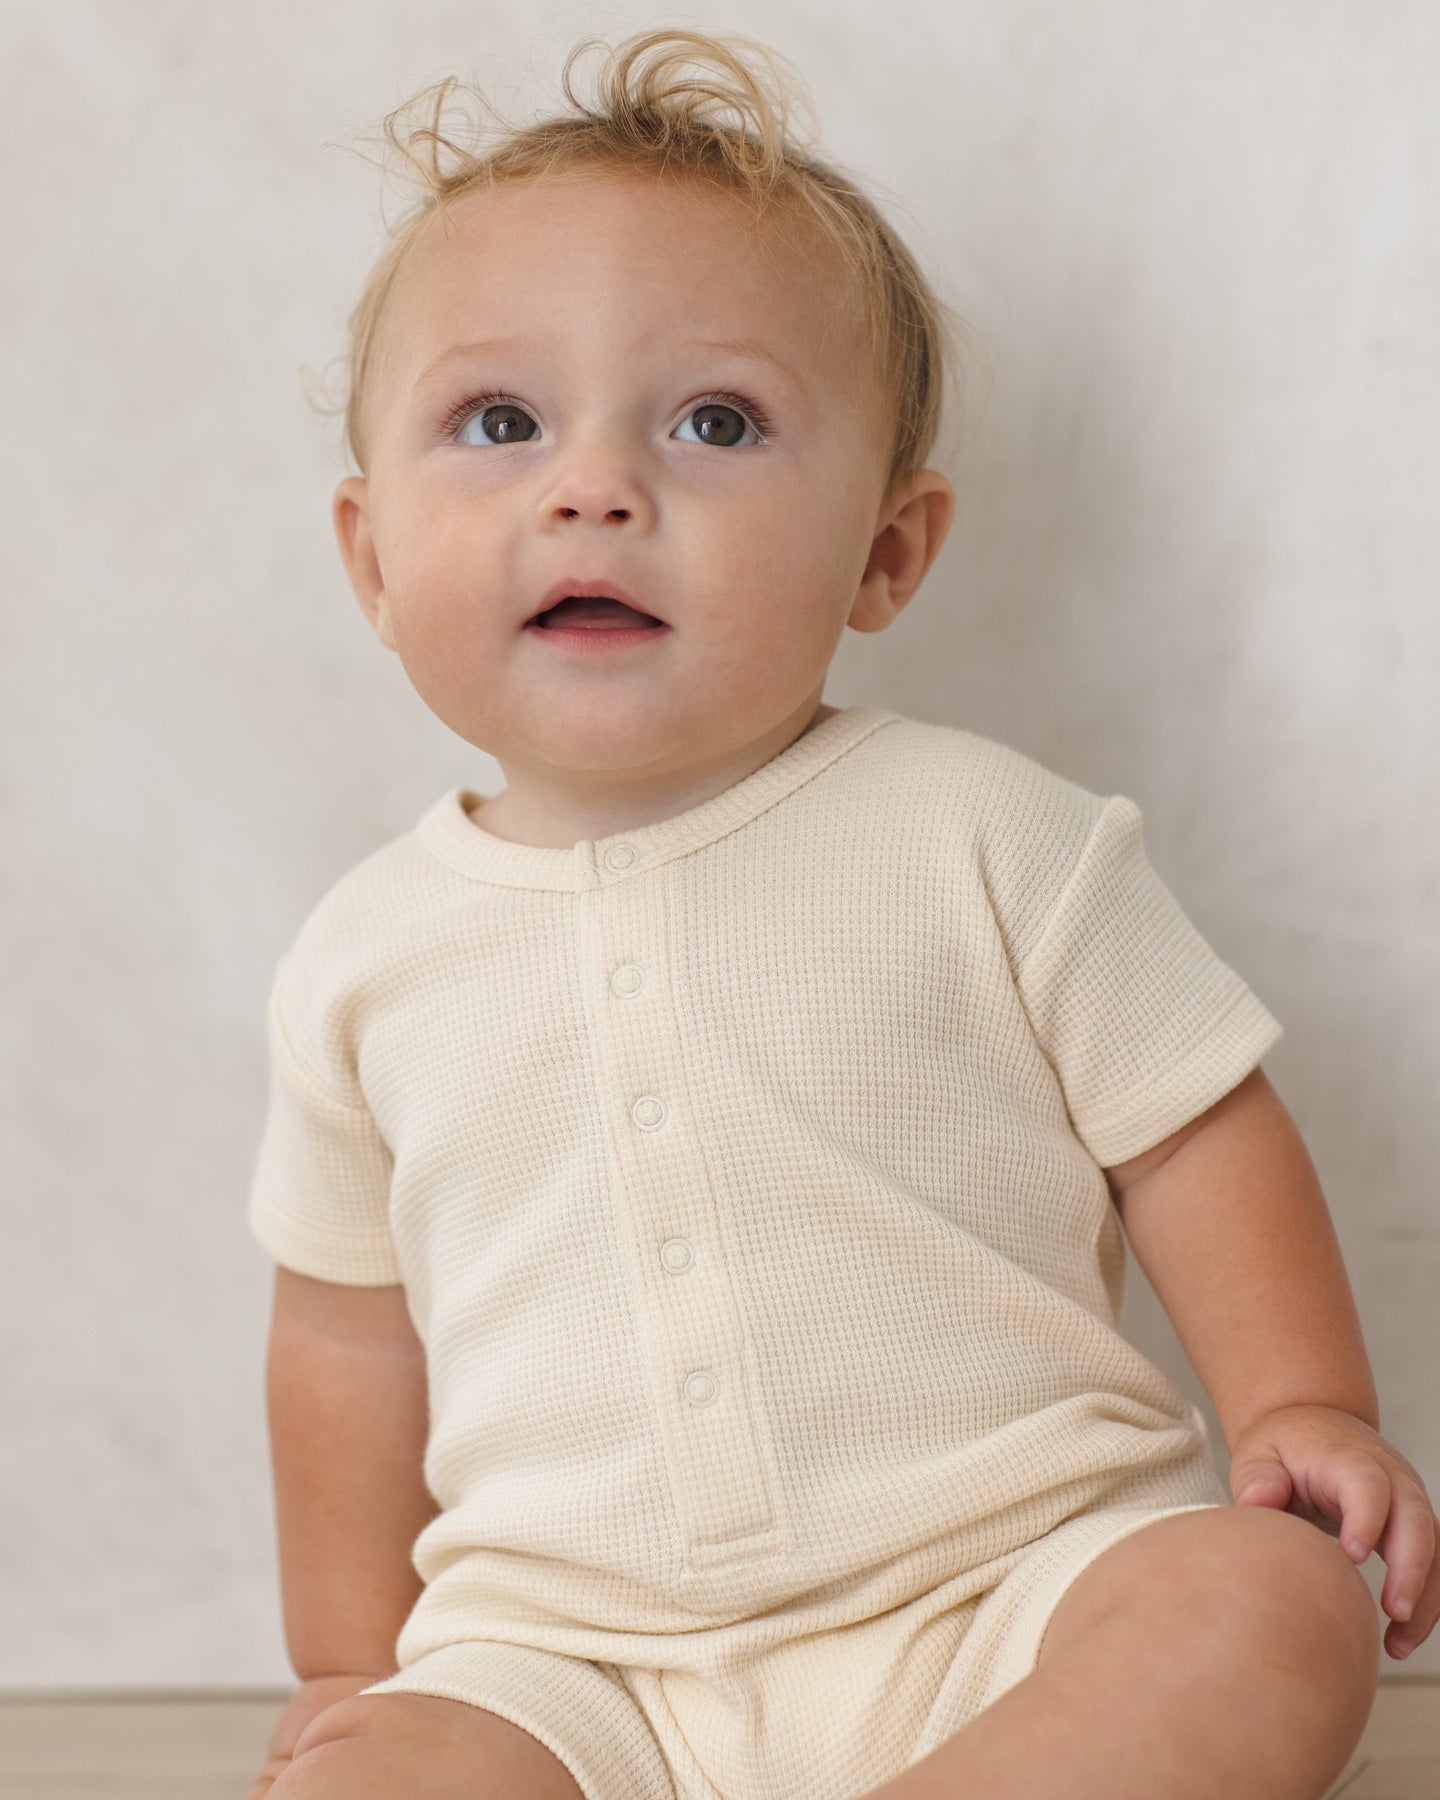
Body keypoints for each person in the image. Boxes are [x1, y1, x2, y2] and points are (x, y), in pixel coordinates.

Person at [244, 26, 1436, 1800]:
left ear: (888, 550)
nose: (593, 487)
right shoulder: (362, 958)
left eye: (714, 423)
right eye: (500, 423)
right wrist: (353, 1665)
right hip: (572, 1664)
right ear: (371, 557)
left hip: (1011, 1588)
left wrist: (1301, 1407)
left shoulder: (987, 833)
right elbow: (345, 1333)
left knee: (1269, 1606)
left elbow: (1193, 1131)